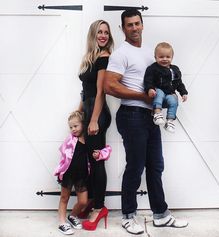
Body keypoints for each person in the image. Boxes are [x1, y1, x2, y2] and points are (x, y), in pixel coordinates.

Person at [104, 9, 188, 235]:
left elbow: (161, 79)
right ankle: (128, 216)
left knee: (156, 166)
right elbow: (110, 86)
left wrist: (173, 94)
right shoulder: (121, 54)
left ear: (142, 24)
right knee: (135, 167)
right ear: (122, 28)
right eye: (129, 25)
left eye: (137, 24)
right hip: (132, 116)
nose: (134, 28)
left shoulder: (151, 54)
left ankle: (160, 215)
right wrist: (143, 96)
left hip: (150, 117)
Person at [77, 19, 114, 231]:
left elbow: (101, 92)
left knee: (97, 161)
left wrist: (93, 120)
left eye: (106, 33)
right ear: (93, 34)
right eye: (99, 32)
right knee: (90, 161)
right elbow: (86, 90)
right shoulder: (90, 57)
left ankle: (99, 208)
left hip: (98, 115)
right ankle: (91, 200)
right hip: (89, 110)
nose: (103, 36)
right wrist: (79, 112)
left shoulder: (104, 57)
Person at [54, 111, 89, 235]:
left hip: (82, 175)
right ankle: (62, 223)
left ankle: (72, 215)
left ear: (83, 125)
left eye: (76, 126)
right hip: (69, 173)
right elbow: (64, 157)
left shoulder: (88, 139)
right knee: (64, 198)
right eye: (71, 127)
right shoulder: (70, 140)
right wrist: (60, 171)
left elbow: (102, 149)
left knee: (83, 201)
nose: (73, 129)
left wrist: (100, 154)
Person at [144, 42, 188, 133]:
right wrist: (150, 89)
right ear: (155, 57)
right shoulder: (153, 68)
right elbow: (148, 80)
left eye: (168, 57)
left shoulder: (175, 69)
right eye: (161, 57)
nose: (164, 59)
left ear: (172, 57)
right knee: (159, 93)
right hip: (158, 89)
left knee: (173, 101)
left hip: (169, 92)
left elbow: (179, 82)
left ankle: (170, 121)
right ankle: (157, 113)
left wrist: (183, 93)